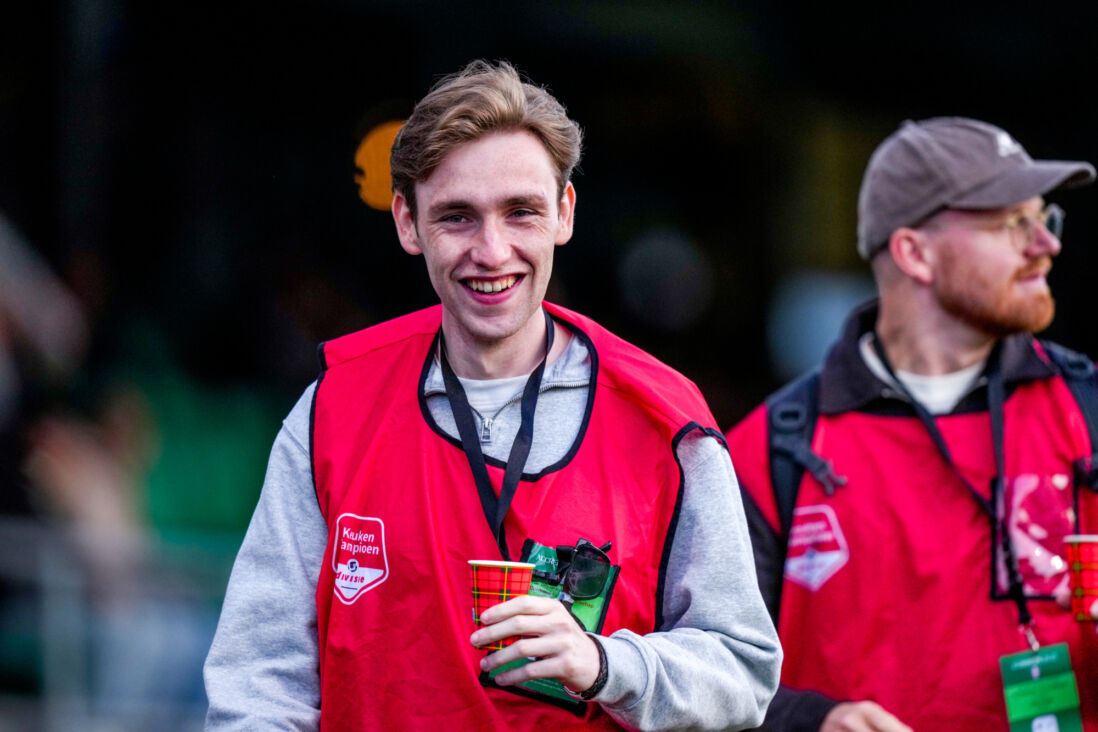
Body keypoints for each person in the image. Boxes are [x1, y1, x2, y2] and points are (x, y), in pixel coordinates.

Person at [204, 59, 780, 731]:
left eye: (521, 212)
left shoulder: (664, 424)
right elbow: (259, 681)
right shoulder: (333, 412)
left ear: (564, 214)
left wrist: (606, 665)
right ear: (407, 223)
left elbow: (743, 671)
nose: (492, 249)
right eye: (457, 217)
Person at [725, 116, 1098, 731]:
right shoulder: (772, 449)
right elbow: (708, 676)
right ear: (914, 254)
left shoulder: (1086, 409)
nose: (1046, 245)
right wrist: (812, 721)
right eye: (1012, 224)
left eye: (1044, 218)